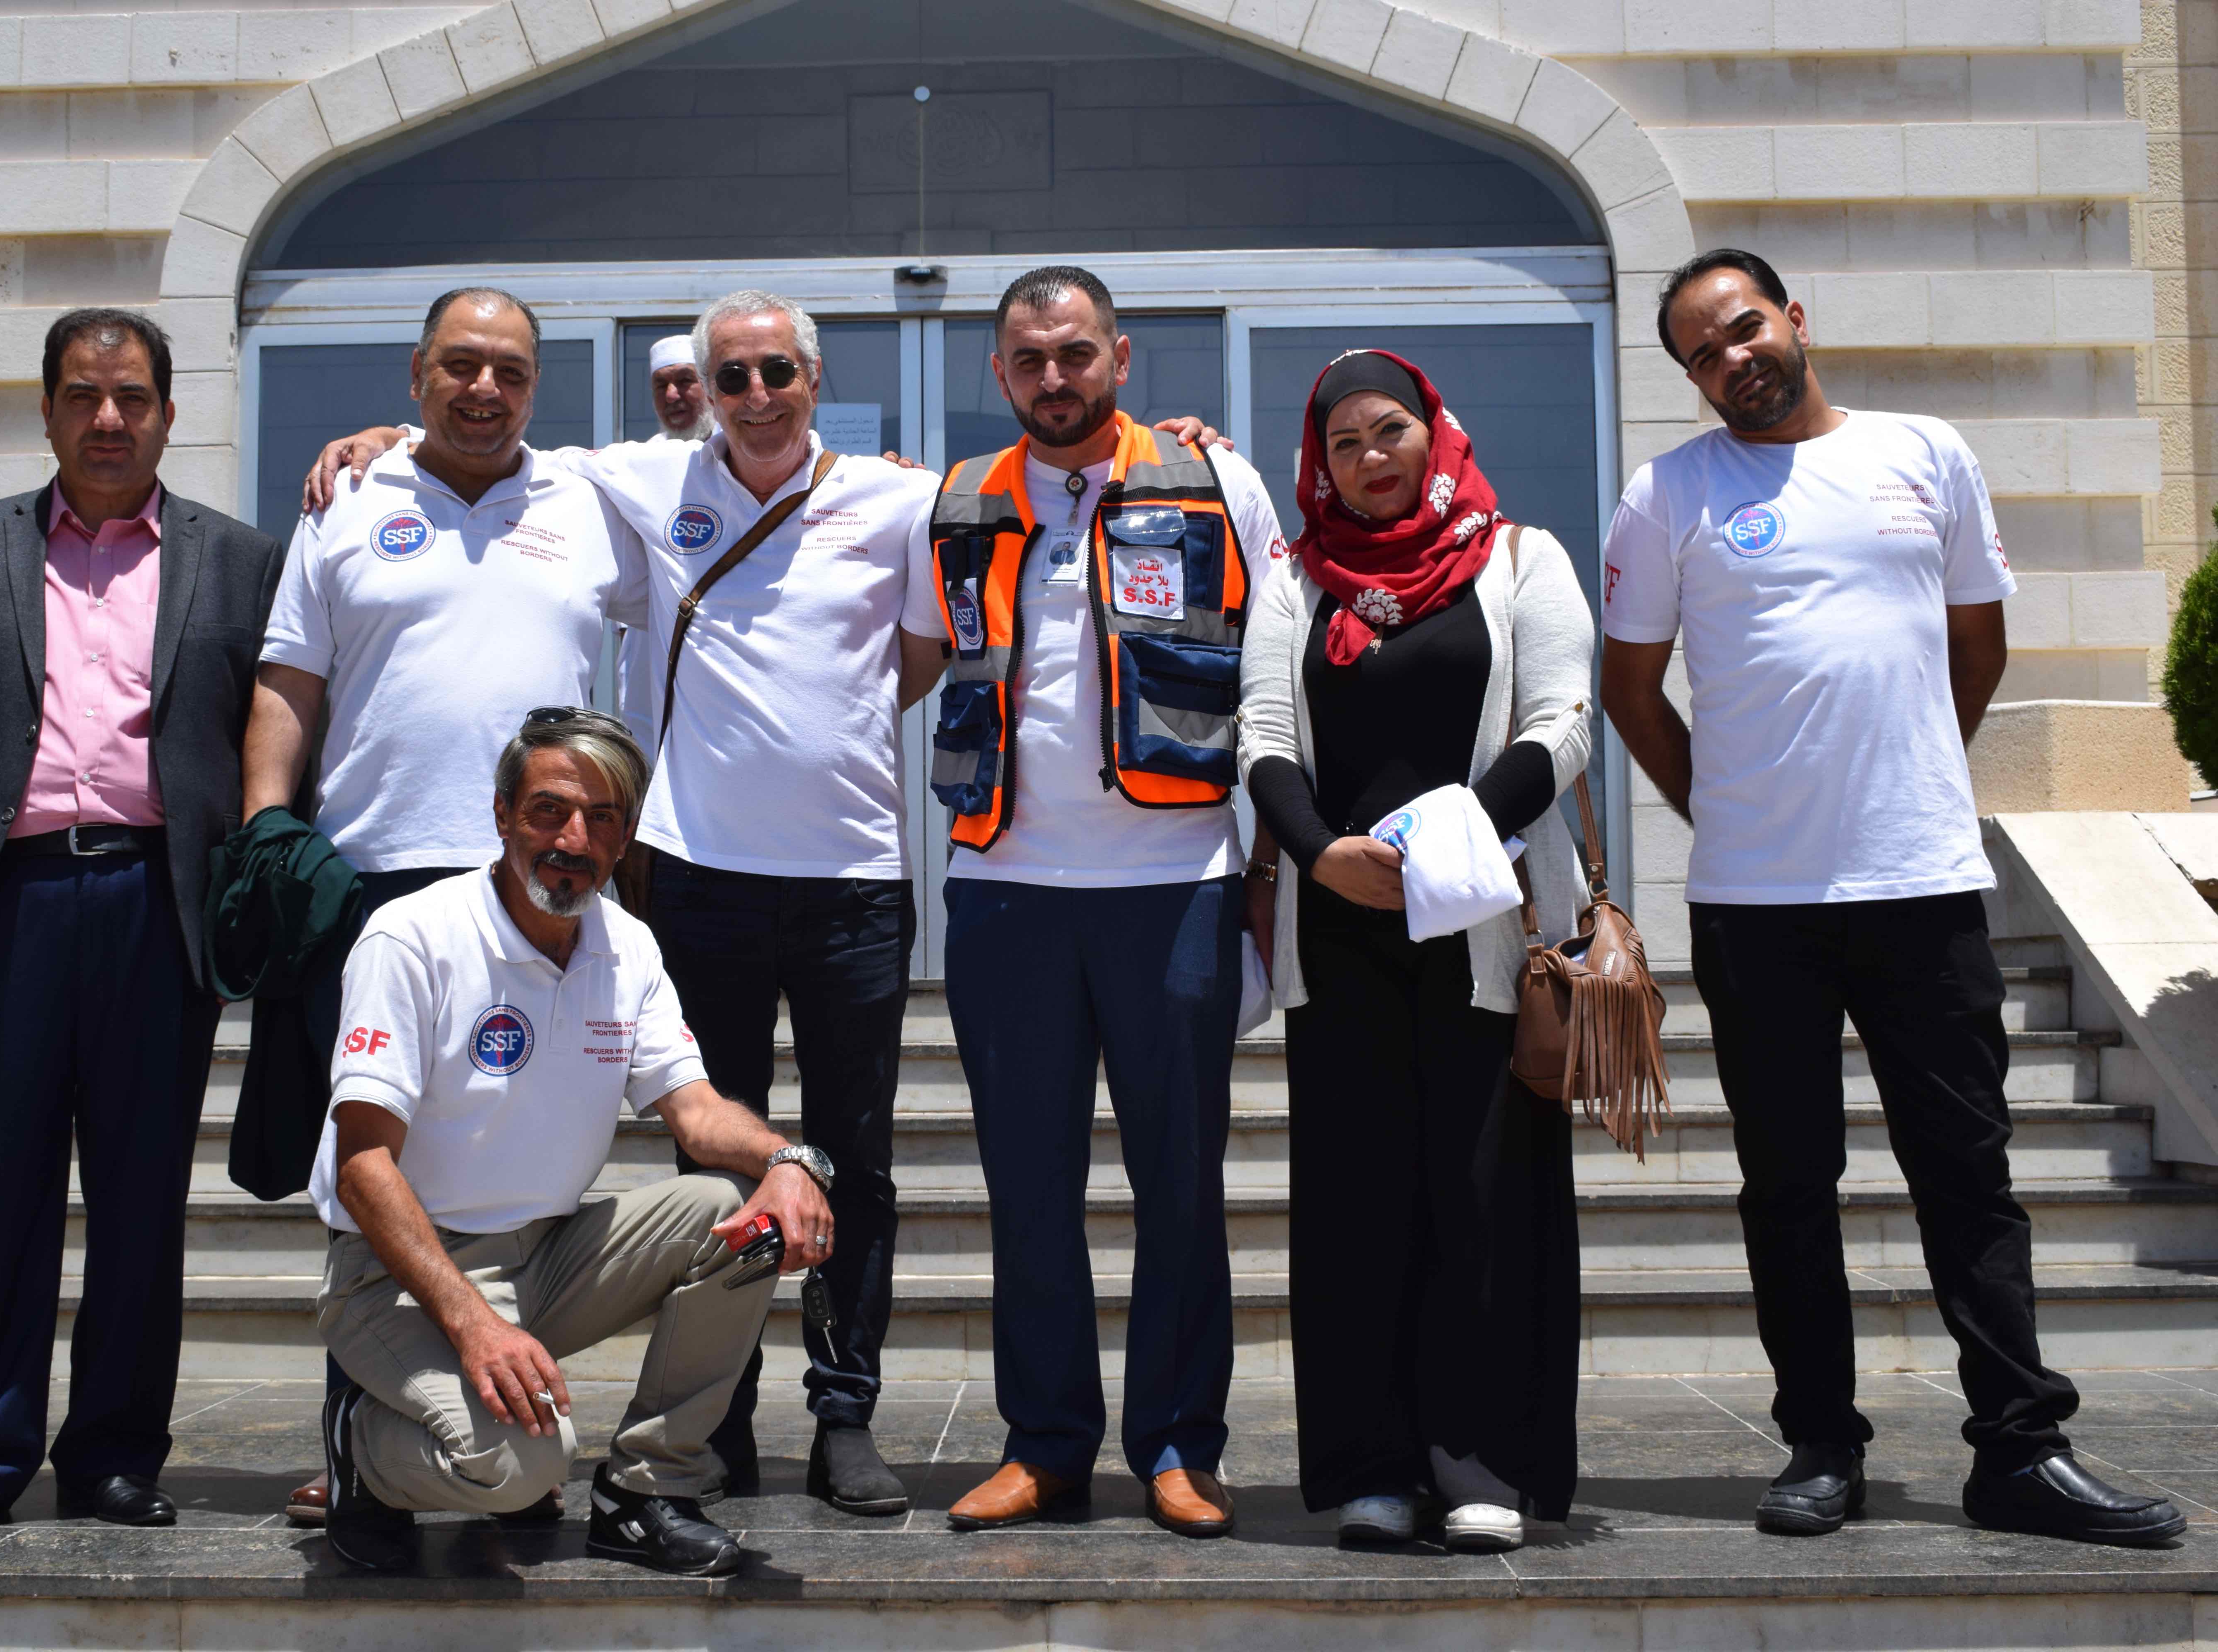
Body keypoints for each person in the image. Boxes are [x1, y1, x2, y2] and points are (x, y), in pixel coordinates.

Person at [305, 290, 950, 1518]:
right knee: (713, 1154)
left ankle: (844, 1409)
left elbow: (917, 654)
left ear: (815, 379)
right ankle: (720, 1428)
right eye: (733, 377)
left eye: (778, 373)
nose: (757, 396)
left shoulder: (894, 498)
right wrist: (377, 446)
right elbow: (488, 445)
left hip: (855, 876)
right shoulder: (641, 483)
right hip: (697, 870)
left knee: (850, 1160)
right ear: (700, 388)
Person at [1602, 247, 2184, 1548]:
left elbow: (1975, 641)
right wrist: (1723, 806)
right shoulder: (1667, 496)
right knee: (1786, 1183)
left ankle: (2018, 1449)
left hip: (1920, 882)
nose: (1727, 360)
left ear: (1793, 319)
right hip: (1754, 903)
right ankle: (1819, 1441)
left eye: (1740, 328)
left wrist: (1910, 769)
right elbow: (1629, 688)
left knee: (1966, 1176)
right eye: (1698, 353)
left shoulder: (1925, 452)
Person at [0, 308, 285, 1547]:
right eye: (85, 396)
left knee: (142, 1198)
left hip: (160, 908)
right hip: (4, 909)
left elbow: (280, 730)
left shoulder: (240, 562)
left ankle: (111, 1453)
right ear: (45, 409)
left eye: (133, 397)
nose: (109, 419)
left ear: (166, 412)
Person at [250, 285, 648, 1529]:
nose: (486, 389)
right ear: (416, 374)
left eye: (511, 373)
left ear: (539, 388)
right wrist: (267, 824)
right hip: (373, 882)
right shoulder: (346, 502)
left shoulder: (591, 505)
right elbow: (287, 681)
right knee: (373, 1175)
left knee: (513, 1170)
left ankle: (504, 1427)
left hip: (542, 880)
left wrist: (902, 480)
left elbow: (747, 514)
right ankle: (364, 1436)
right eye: (461, 366)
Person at [907, 267, 1287, 1539]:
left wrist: (1274, 856)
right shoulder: (959, 500)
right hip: (1005, 888)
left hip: (1171, 879)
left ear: (1118, 355)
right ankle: (1047, 1443)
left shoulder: (1214, 478)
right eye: (1027, 360)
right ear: (999, 373)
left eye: (1074, 353)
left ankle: (1179, 1442)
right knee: (1028, 1185)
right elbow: (916, 658)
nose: (1053, 378)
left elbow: (1276, 657)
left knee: (1180, 1184)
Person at [313, 708, 836, 1577]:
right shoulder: (415, 935)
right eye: (550, 809)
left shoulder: (626, 945)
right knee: (519, 1470)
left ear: (625, 835)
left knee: (730, 1212)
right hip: (395, 1272)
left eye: (602, 818)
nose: (573, 837)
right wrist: (475, 1323)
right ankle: (359, 1444)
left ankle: (642, 1493)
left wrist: (785, 1162)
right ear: (502, 814)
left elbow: (696, 1108)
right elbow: (363, 1163)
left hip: (546, 1252)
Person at [1237, 349, 1590, 1553]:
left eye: (1387, 432)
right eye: (1342, 444)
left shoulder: (1515, 559)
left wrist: (1458, 826)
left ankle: (1478, 1459)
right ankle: (1371, 1468)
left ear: (1431, 434)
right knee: (1353, 1210)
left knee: (1482, 1199)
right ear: (1318, 463)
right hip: (1338, 938)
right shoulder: (1294, 580)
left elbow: (1562, 722)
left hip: (1479, 927)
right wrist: (1320, 850)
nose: (1368, 458)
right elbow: (1263, 737)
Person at [615, 334, 715, 756]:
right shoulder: (633, 466)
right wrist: (408, 436)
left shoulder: (748, 461)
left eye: (685, 381)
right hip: (649, 659)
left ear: (710, 385)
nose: (673, 395)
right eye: (661, 385)